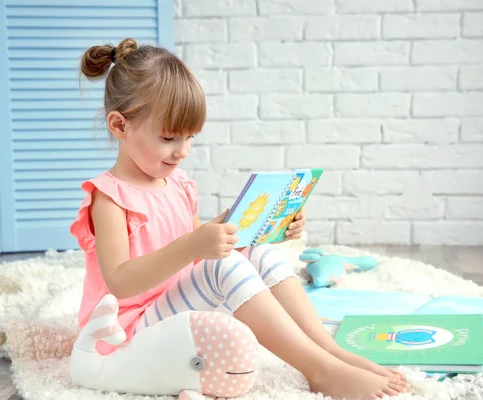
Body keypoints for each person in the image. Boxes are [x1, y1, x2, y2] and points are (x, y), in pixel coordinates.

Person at [70, 38, 409, 400]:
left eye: (190, 137)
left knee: (257, 254)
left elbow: (196, 241)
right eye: (169, 137)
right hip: (127, 331)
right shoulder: (109, 197)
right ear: (120, 126)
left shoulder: (177, 184)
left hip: (173, 306)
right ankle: (320, 371)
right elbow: (120, 282)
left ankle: (330, 351)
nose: (182, 150)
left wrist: (258, 224)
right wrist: (192, 246)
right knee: (224, 267)